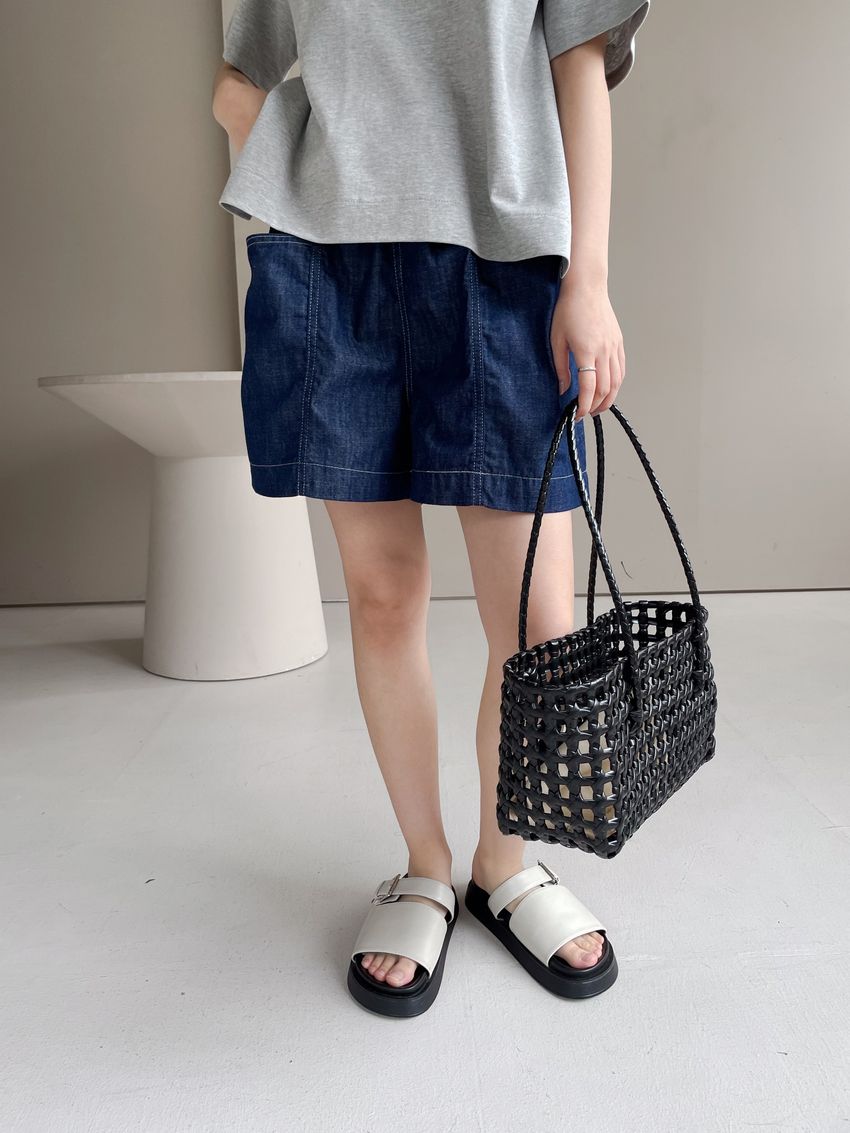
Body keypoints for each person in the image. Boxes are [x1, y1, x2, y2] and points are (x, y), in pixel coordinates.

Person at [212, 0, 650, 1018]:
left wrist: (587, 279)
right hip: (333, 272)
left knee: (538, 624)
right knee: (382, 596)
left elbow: (579, 65)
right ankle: (423, 864)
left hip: (506, 268)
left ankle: (503, 863)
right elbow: (240, 81)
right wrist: (296, 182)